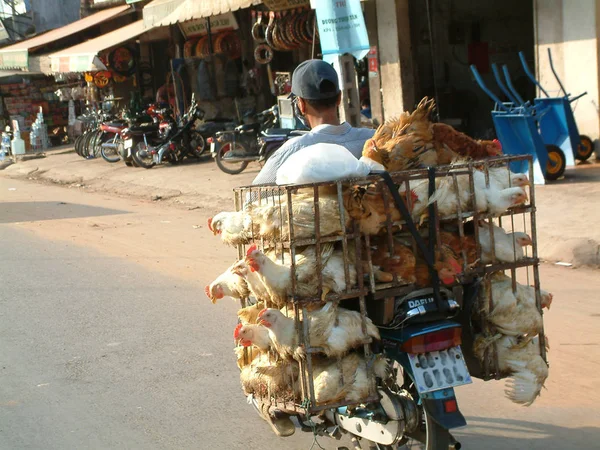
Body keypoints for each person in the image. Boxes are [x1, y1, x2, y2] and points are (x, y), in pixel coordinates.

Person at [251, 59, 375, 185]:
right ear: (339, 98)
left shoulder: (292, 151)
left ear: (301, 104)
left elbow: (253, 198)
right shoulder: (374, 140)